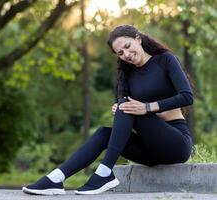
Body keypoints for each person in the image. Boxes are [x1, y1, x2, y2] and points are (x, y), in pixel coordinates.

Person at [22, 24, 194, 195]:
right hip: (148, 151)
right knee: (105, 132)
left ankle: (104, 173)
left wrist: (146, 107)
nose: (126, 54)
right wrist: (119, 108)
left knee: (126, 106)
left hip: (176, 144)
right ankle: (55, 178)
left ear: (138, 39)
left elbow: (187, 96)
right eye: (120, 53)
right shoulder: (128, 73)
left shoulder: (165, 60)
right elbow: (126, 109)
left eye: (127, 46)